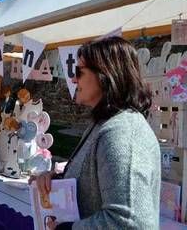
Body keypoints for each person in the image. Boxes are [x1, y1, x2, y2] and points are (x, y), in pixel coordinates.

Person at [30, 37, 160, 229]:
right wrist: (55, 182)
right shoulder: (104, 124)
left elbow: (129, 223)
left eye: (79, 72)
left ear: (105, 75)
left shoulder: (122, 133)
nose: (73, 79)